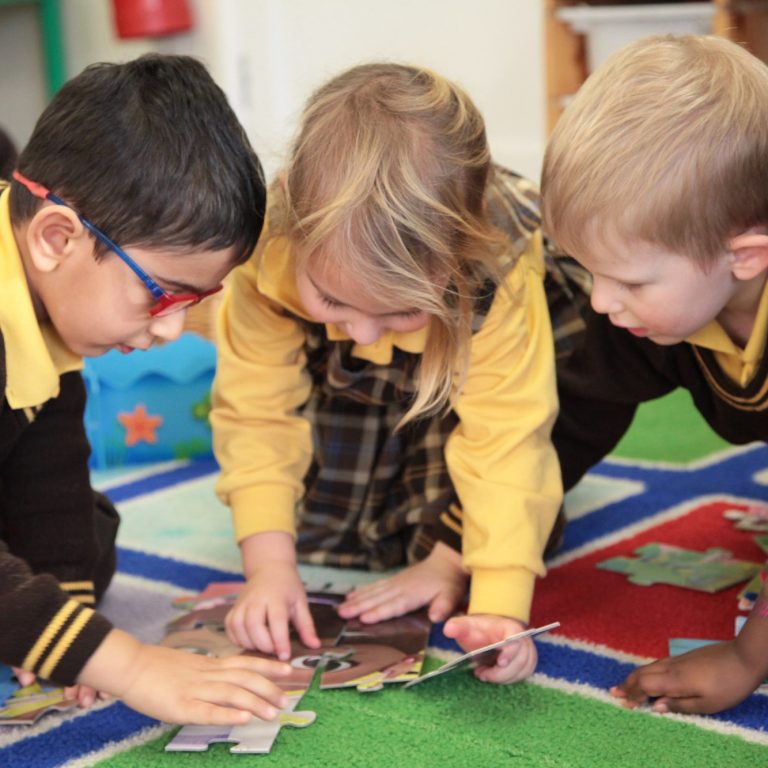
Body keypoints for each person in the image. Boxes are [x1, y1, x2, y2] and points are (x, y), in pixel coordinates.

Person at [211, 62, 588, 685]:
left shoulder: (491, 271)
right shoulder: (267, 250)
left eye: (400, 309)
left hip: (479, 369)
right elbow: (255, 412)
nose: (359, 331)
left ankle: (449, 545)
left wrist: (494, 603)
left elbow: (509, 441)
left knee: (514, 523)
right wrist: (269, 567)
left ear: (457, 259)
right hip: (358, 386)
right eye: (334, 301)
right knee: (316, 531)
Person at [1, 53, 291, 726]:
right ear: (54, 238)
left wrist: (68, 632)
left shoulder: (52, 312)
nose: (174, 330)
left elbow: (46, 465)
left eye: (197, 300)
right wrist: (123, 662)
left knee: (85, 534)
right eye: (161, 294)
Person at [540, 34, 768, 712]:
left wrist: (746, 658)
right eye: (587, 270)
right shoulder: (637, 311)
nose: (602, 300)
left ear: (746, 257)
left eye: (629, 280)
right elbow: (567, 423)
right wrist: (472, 548)